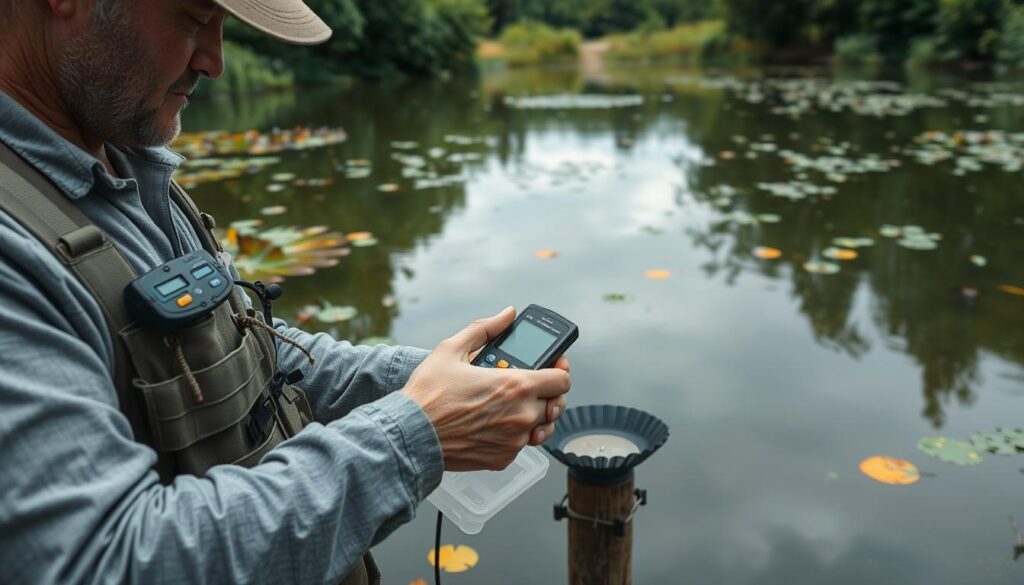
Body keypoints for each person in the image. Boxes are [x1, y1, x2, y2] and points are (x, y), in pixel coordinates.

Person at [0, 1, 572, 583]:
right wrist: (418, 433)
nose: (215, 61)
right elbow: (106, 562)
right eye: (196, 18)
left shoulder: (126, 160)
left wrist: (430, 380)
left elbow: (250, 350)